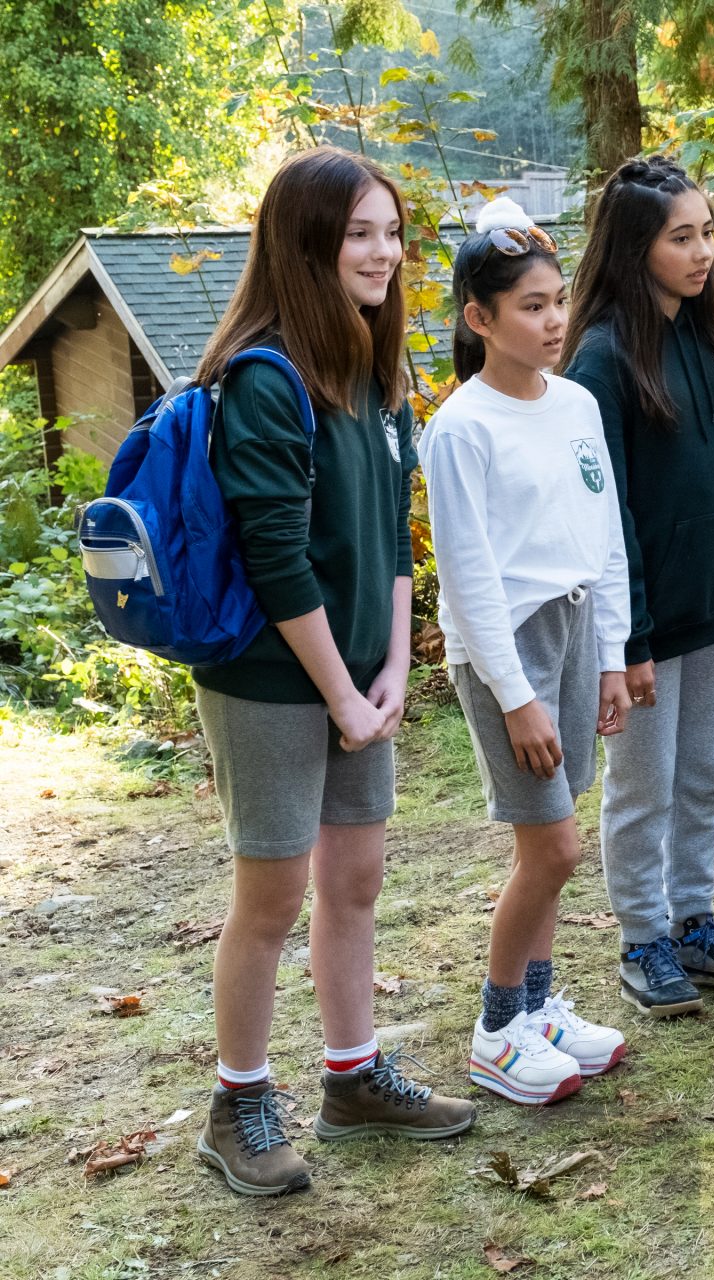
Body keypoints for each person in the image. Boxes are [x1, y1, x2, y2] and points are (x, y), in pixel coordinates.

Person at [190, 146, 473, 1196]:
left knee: (353, 881)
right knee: (269, 895)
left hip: (364, 672)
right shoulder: (265, 378)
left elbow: (396, 536)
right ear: (305, 240)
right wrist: (342, 690)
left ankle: (352, 1078)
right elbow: (276, 553)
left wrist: (395, 664)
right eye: (360, 233)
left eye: (392, 233)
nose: (385, 253)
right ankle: (238, 1102)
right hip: (269, 676)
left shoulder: (377, 370)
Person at [561, 156, 714, 1017]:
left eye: (707, 232)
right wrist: (632, 639)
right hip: (647, 626)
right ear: (634, 248)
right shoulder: (601, 360)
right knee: (642, 789)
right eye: (681, 237)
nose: (702, 253)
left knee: (703, 776)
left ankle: (695, 922)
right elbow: (606, 518)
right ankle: (644, 939)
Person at [421, 196, 632, 1104]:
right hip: (508, 647)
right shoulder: (461, 427)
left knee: (553, 840)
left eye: (558, 302)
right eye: (531, 307)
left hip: (578, 625)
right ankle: (498, 1026)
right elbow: (465, 575)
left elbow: (606, 532)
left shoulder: (578, 402)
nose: (552, 322)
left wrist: (614, 653)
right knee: (551, 849)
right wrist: (516, 694)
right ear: (480, 318)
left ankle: (539, 1009)